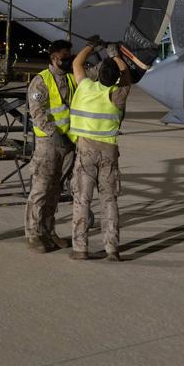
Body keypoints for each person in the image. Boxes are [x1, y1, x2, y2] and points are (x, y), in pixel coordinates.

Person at [69, 40, 131, 261]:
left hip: (86, 150)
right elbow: (126, 77)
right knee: (109, 200)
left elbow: (77, 64)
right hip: (109, 151)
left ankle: (80, 248)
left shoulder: (85, 87)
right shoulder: (117, 95)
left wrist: (90, 47)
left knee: (82, 200)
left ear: (97, 74)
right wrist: (115, 55)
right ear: (114, 78)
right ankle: (112, 249)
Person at [25, 39, 76, 253]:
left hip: (68, 144)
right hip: (48, 143)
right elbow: (37, 113)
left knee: (55, 191)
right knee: (41, 190)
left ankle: (49, 230)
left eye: (70, 56)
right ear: (54, 58)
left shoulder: (72, 78)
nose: (69, 60)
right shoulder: (41, 81)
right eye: (65, 56)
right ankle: (33, 234)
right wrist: (55, 134)